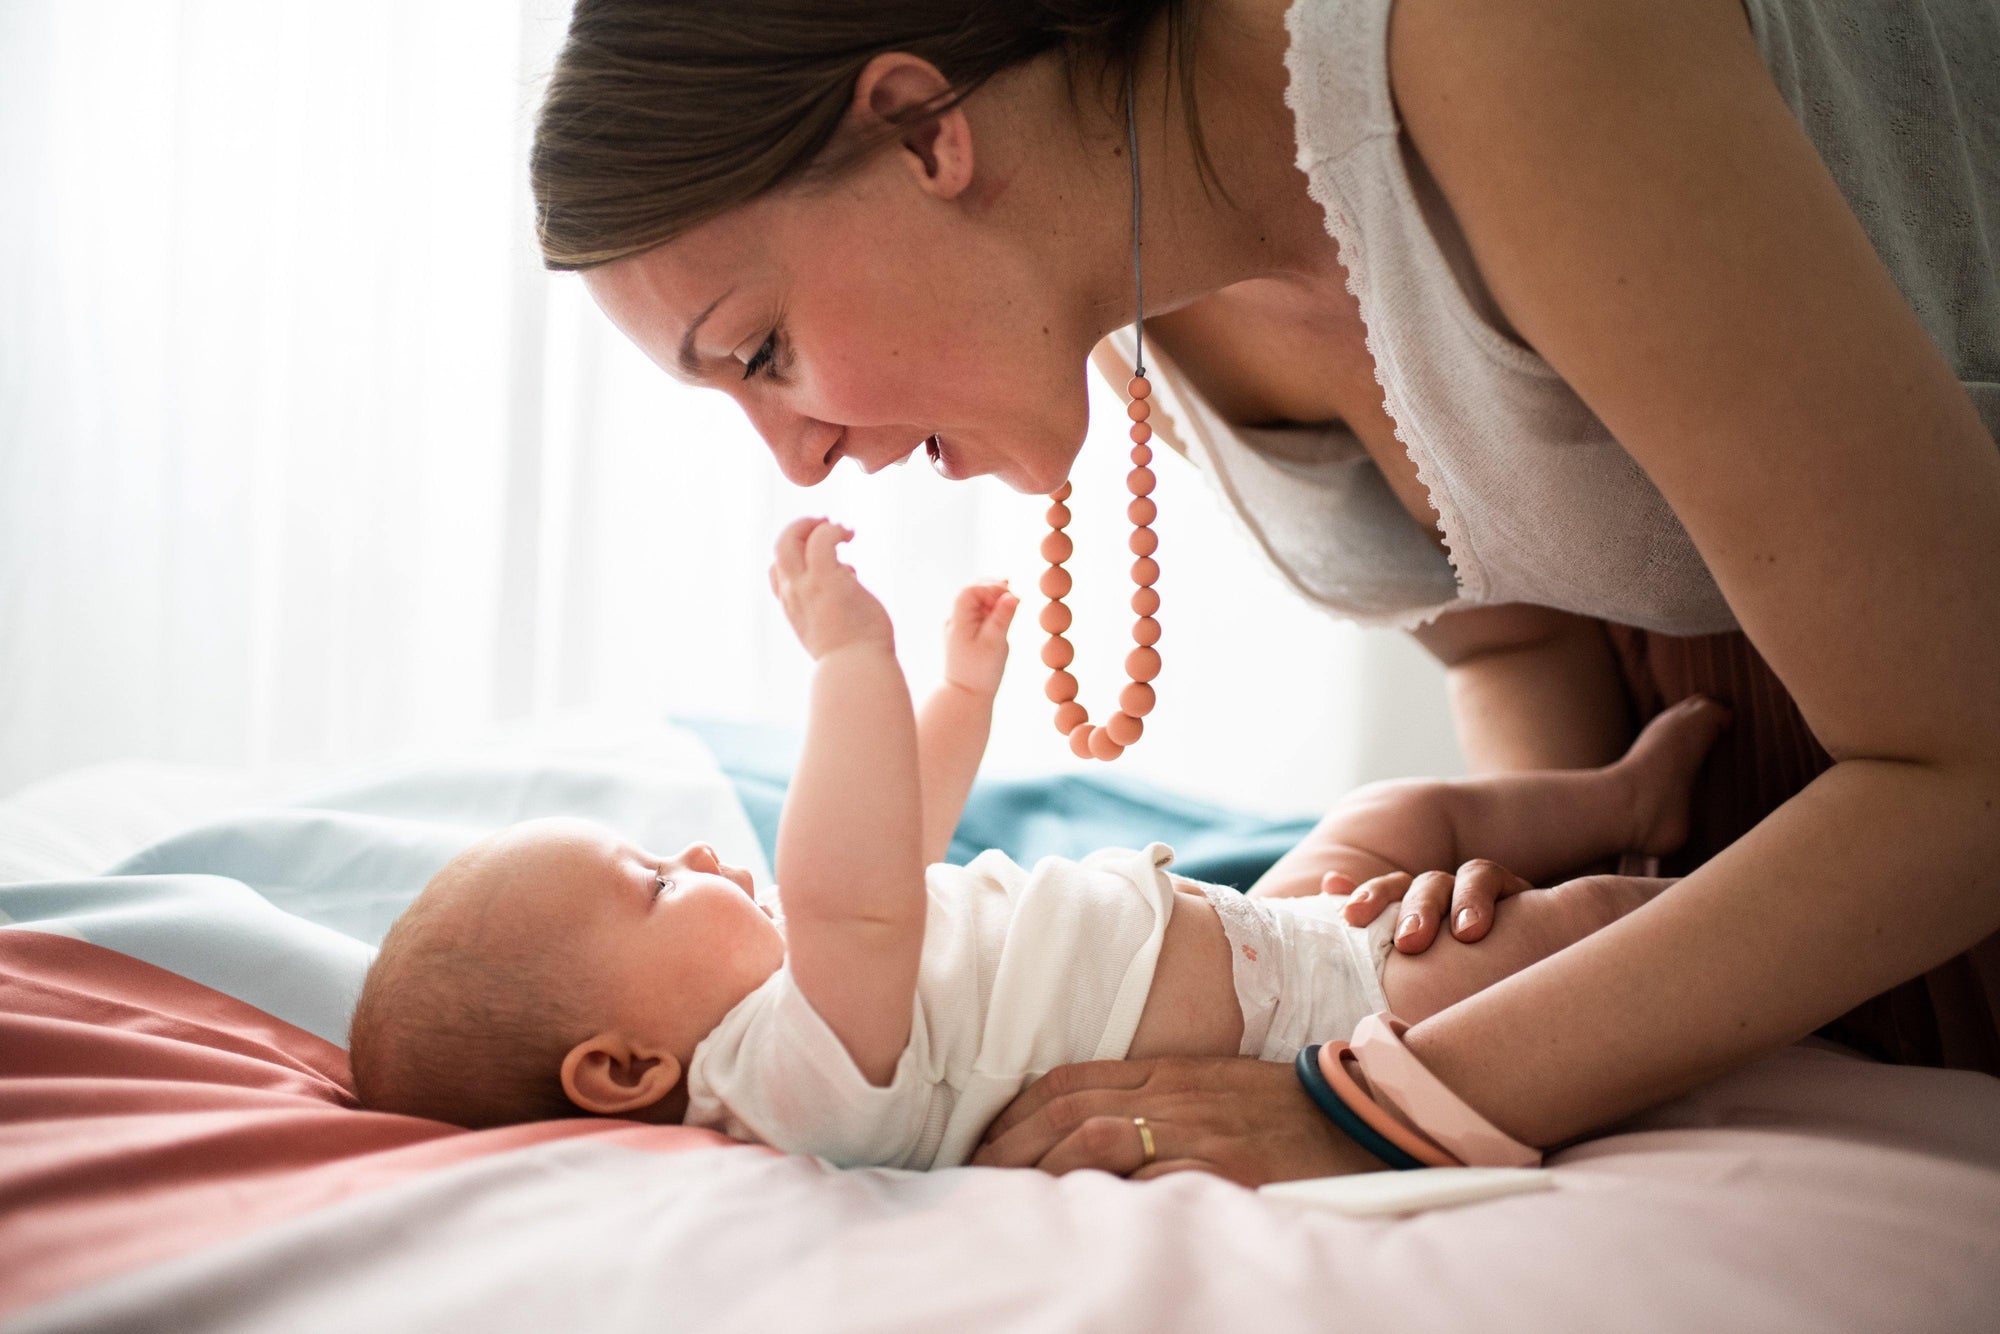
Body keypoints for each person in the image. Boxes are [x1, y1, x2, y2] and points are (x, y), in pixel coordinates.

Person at [527, 0, 2000, 1181]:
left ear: (924, 130)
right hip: (1755, 876)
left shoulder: (1495, 36)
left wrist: (1369, 1103)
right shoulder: (1132, 251)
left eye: (762, 348)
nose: (792, 461)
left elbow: (1970, 766)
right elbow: (1513, 625)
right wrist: (1513, 919)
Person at [348, 518, 1724, 1169]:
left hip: (1262, 929)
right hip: (1309, 1021)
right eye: (650, 883)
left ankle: (1622, 800)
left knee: (1389, 817)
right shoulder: (779, 1083)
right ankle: (1700, 894)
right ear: (623, 1066)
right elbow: (854, 891)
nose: (702, 861)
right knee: (1564, 943)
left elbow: (903, 851)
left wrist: (958, 700)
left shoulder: (813, 1000)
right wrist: (848, 662)